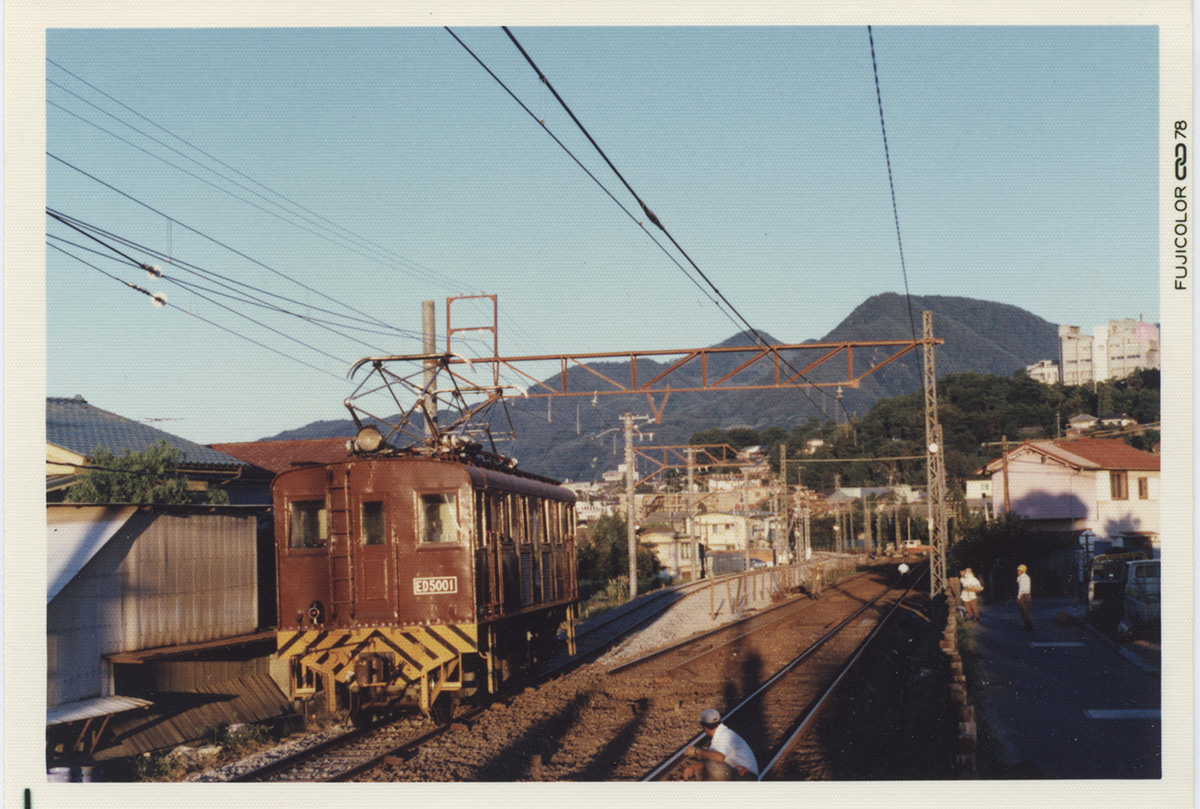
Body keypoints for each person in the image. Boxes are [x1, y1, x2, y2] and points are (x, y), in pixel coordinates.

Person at [682, 709, 759, 781]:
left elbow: (719, 757)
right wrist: (693, 767)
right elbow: (709, 759)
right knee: (701, 768)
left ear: (704, 727)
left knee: (712, 766)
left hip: (748, 776)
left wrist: (697, 750)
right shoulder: (719, 736)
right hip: (737, 773)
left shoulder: (725, 734)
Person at [1016, 564, 1033, 630]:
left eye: (1019, 570)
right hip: (1028, 595)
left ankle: (1027, 624)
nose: (1018, 572)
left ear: (1022, 571)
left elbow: (1021, 588)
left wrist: (1019, 597)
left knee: (1023, 611)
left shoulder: (1021, 578)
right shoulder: (1027, 577)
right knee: (1028, 610)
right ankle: (1029, 623)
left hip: (1023, 596)